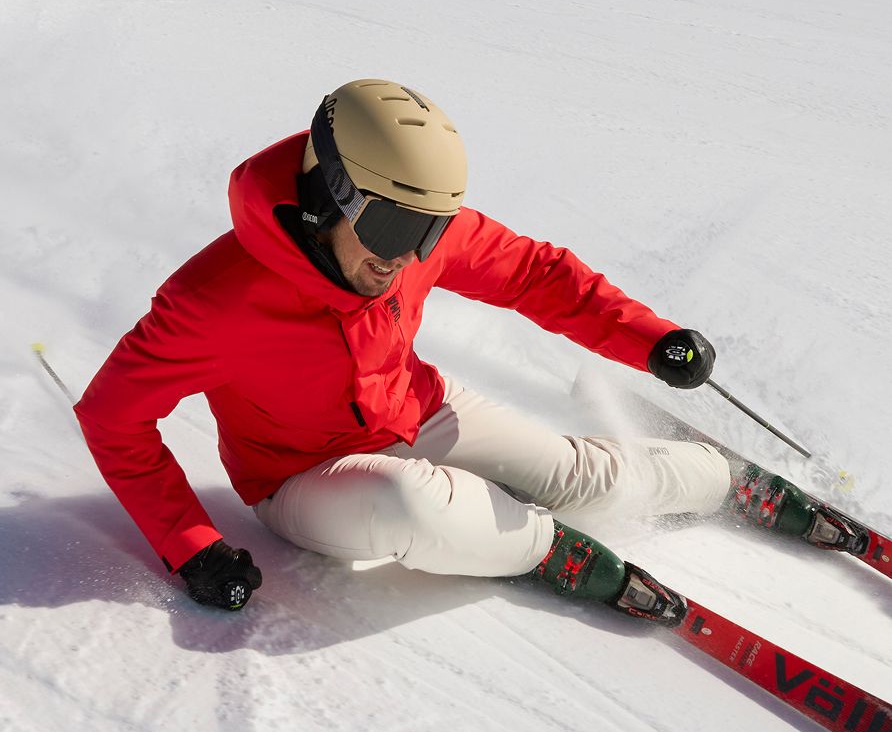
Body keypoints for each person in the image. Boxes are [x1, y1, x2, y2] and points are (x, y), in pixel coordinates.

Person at [74, 78, 748, 622]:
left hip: (414, 407)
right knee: (413, 506)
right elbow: (113, 418)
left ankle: (726, 479)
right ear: (331, 192)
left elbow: (532, 272)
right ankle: (542, 545)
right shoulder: (215, 300)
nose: (407, 254)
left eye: (431, 230)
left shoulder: (405, 236)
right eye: (395, 224)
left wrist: (650, 339)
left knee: (582, 479)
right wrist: (191, 545)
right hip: (302, 477)